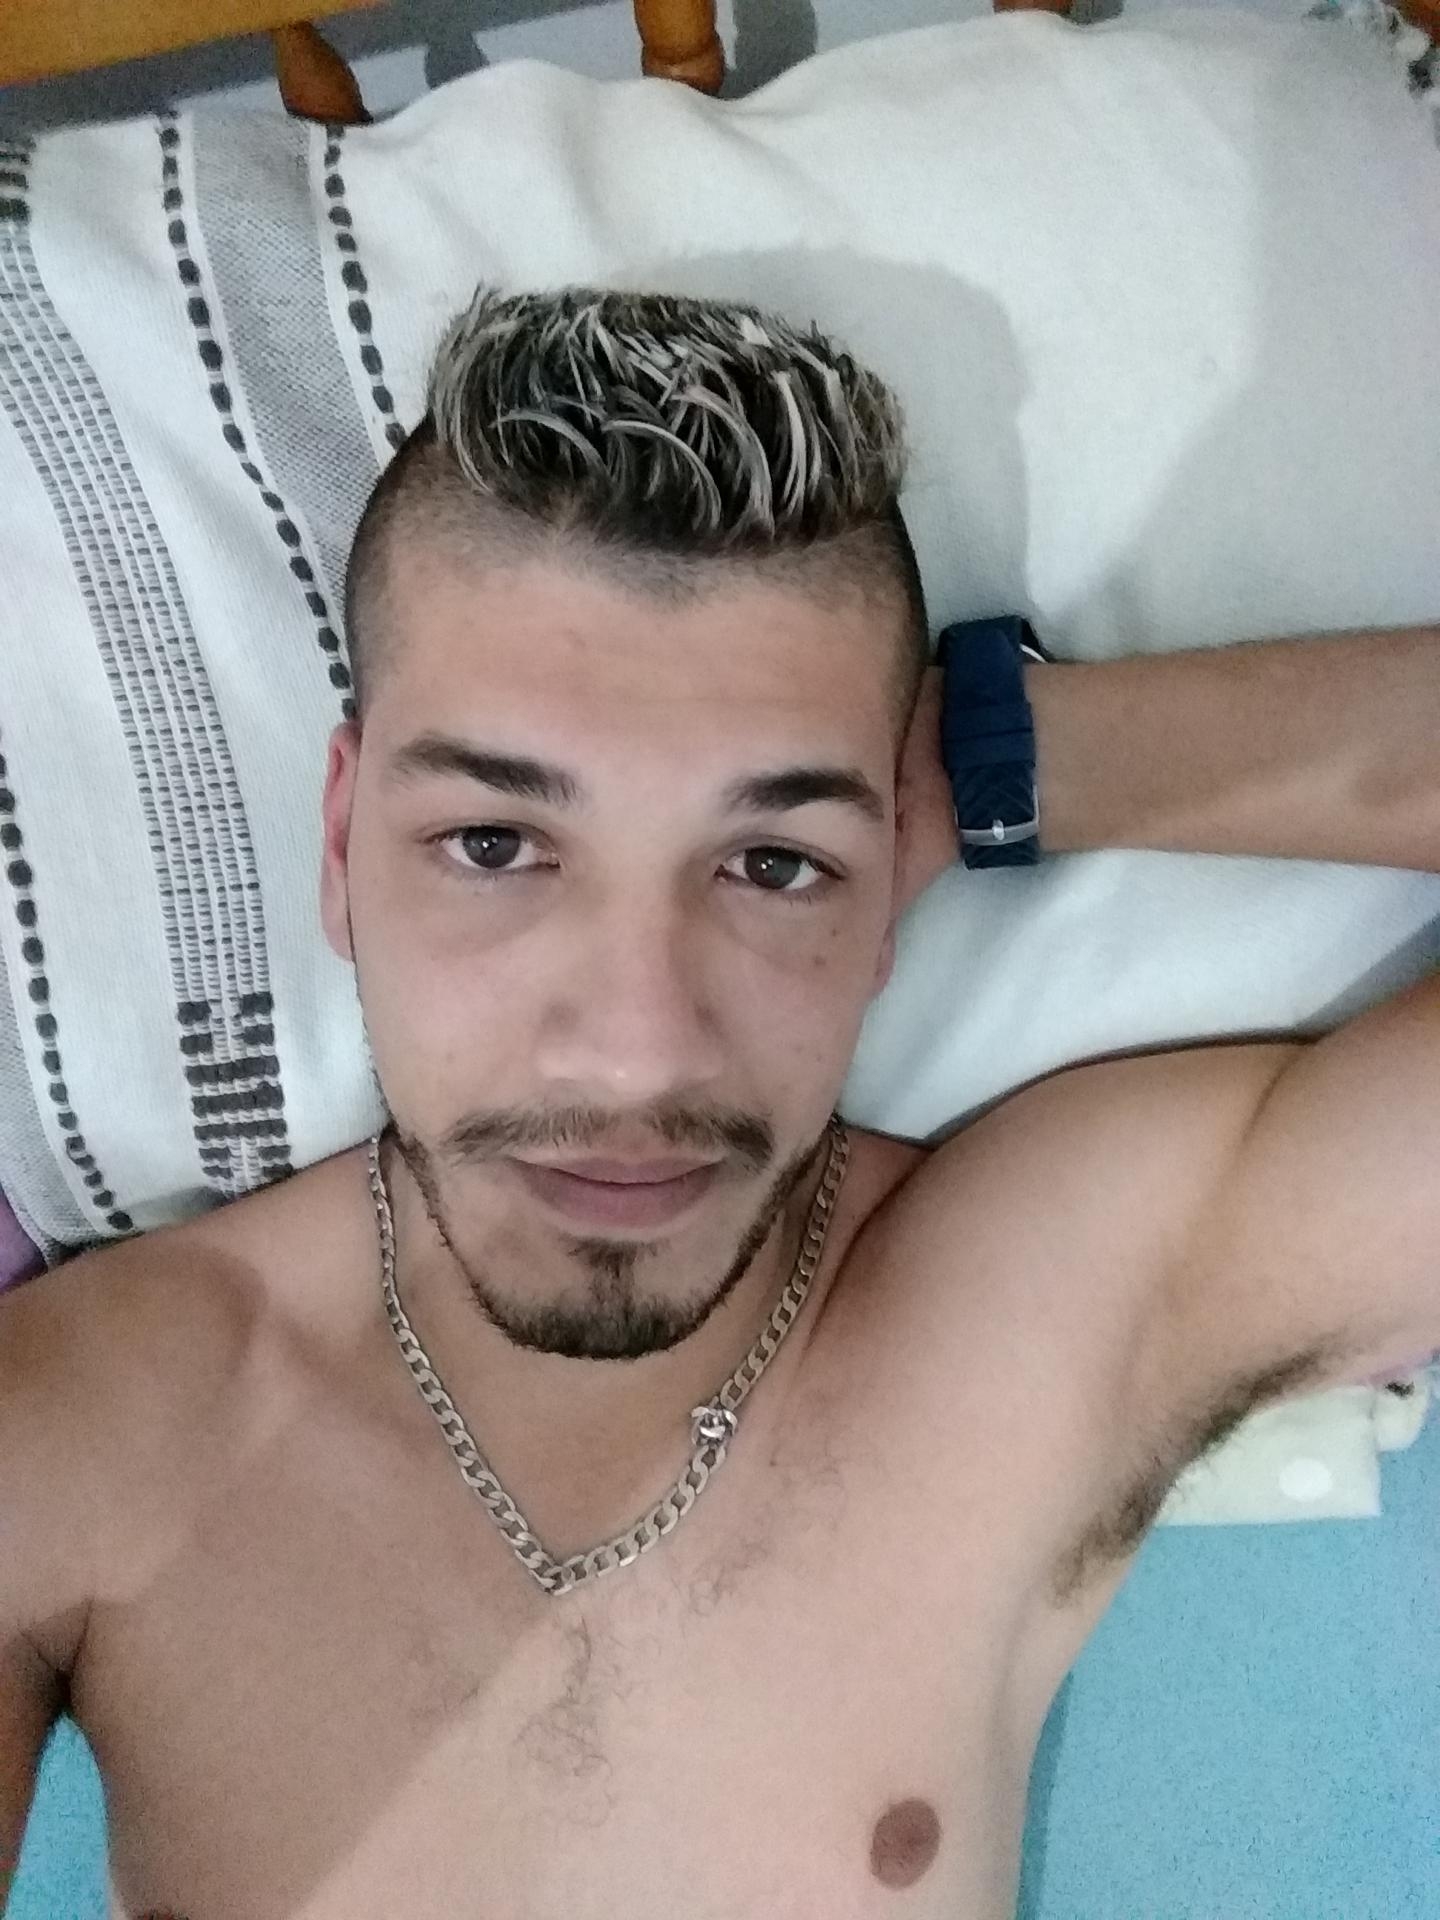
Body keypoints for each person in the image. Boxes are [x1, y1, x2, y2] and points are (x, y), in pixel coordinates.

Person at [1, 284, 1436, 1920]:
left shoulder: (1038, 1305)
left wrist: (1020, 755)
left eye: (774, 862)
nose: (637, 1053)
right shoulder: (89, 1423)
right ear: (340, 849)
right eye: (495, 845)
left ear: (890, 883)